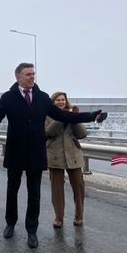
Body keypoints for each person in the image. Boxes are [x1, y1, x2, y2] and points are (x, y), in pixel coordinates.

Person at [0, 63, 106, 248]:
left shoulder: (43, 98)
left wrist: (92, 116)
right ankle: (10, 223)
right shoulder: (8, 98)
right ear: (18, 77)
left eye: (33, 74)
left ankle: (32, 230)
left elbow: (65, 117)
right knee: (12, 190)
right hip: (15, 151)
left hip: (36, 153)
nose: (32, 77)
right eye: (28, 74)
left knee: (34, 193)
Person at [45, 92, 88, 228]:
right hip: (55, 156)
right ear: (53, 102)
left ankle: (79, 216)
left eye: (63, 99)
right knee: (56, 190)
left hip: (73, 156)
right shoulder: (47, 115)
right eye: (58, 100)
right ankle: (59, 218)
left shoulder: (72, 114)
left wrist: (73, 118)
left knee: (79, 188)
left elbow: (82, 134)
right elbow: (48, 132)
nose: (61, 102)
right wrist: (61, 117)